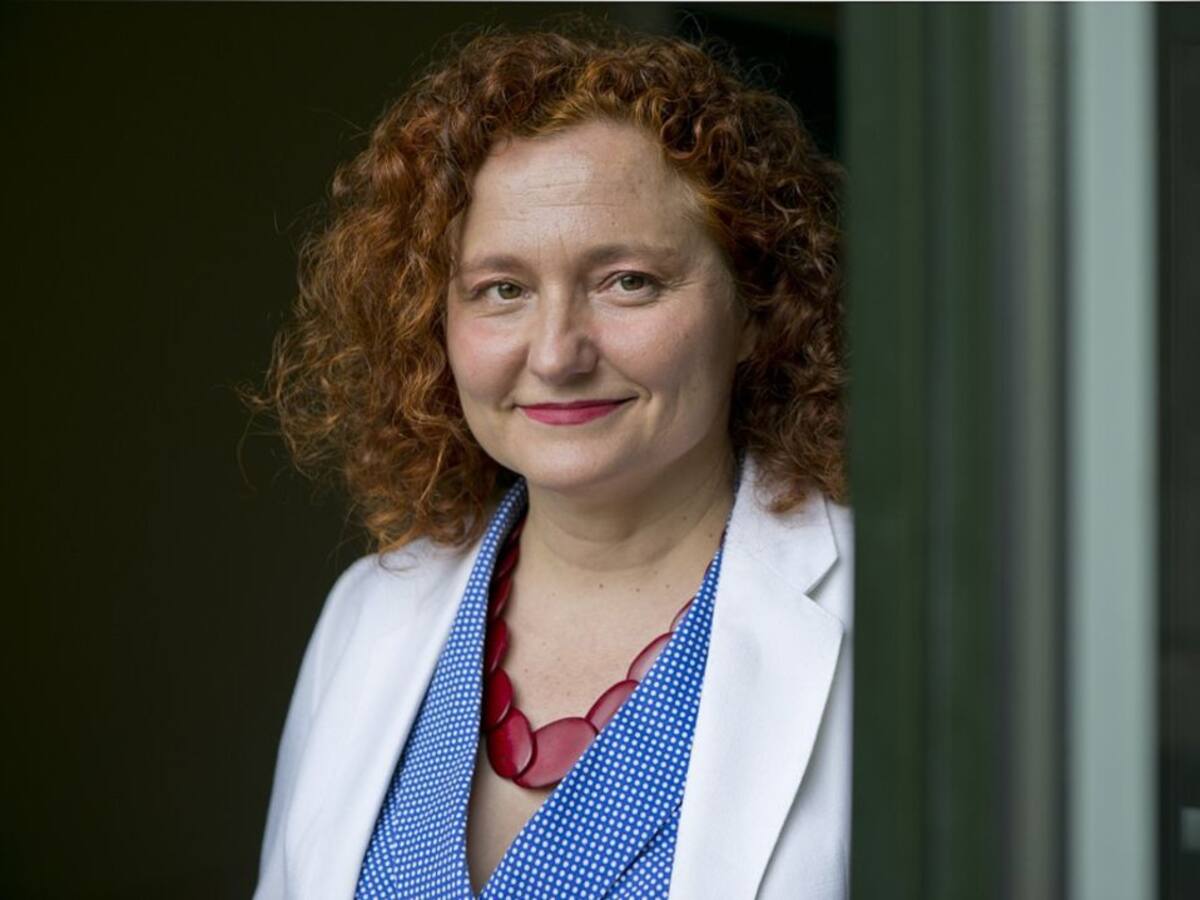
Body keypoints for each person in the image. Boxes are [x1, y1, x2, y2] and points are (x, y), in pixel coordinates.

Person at [250, 22, 852, 900]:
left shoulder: (891, 626)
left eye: (628, 281)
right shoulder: (367, 612)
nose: (558, 353)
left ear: (757, 309)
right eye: (503, 290)